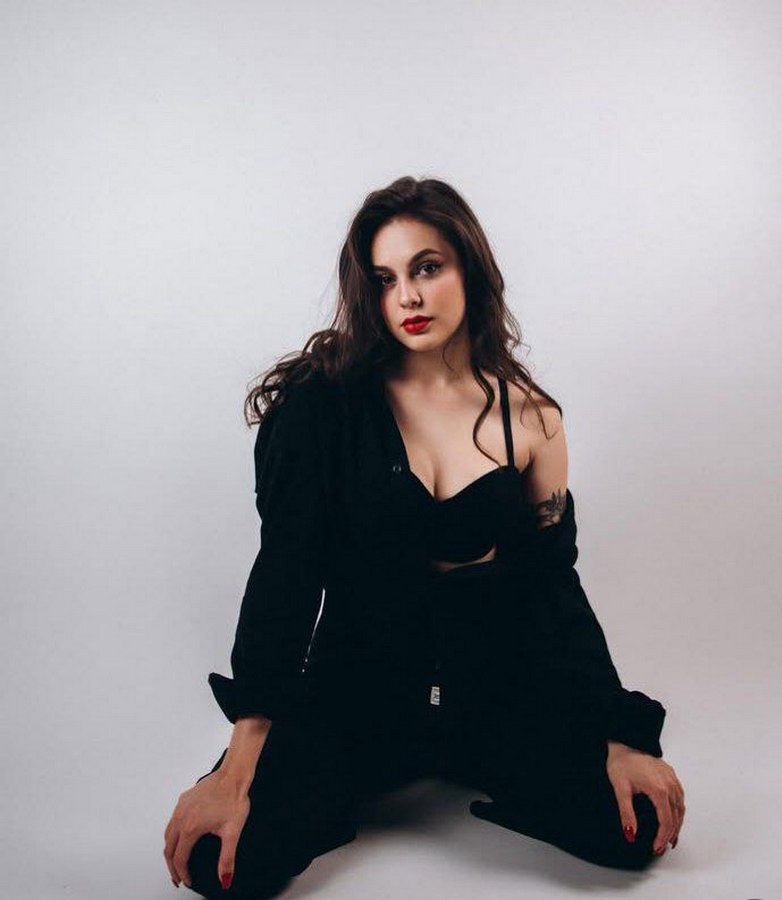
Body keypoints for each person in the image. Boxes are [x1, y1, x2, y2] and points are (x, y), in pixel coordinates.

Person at [163, 176, 685, 898]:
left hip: (495, 690)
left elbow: (552, 585)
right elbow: (284, 580)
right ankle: (353, 785)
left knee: (631, 831)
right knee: (217, 866)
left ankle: (476, 766)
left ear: (469, 267)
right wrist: (238, 767)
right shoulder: (322, 408)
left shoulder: (531, 419)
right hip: (355, 697)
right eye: (384, 279)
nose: (406, 296)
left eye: (427, 267)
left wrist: (617, 733)